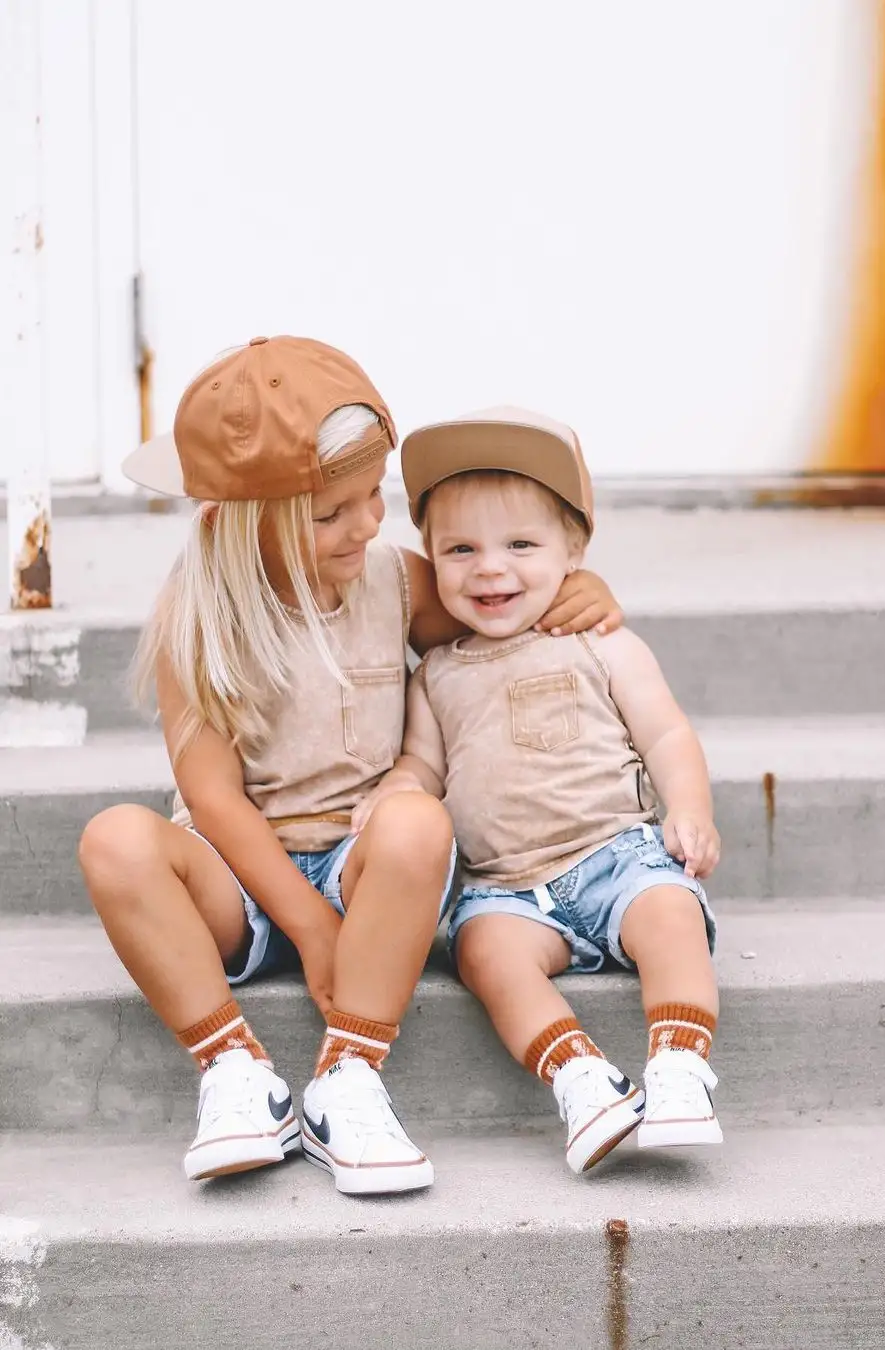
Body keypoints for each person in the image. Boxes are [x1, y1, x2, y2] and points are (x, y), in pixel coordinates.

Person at [77, 342, 622, 1195]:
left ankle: (349, 1079)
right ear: (238, 521)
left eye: (376, 497)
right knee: (114, 840)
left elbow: (499, 601)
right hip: (240, 878)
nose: (369, 525)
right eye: (334, 513)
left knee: (417, 820)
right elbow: (213, 798)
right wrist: (308, 926)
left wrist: (580, 595)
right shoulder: (200, 616)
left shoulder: (392, 583)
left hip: (370, 867)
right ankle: (235, 1073)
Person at [370, 406, 722, 1175]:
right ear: (430, 559)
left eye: (521, 546)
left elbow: (665, 734)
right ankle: (582, 1080)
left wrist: (689, 808)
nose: (489, 568)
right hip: (508, 891)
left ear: (575, 551)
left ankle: (679, 1066)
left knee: (669, 913)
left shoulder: (599, 641)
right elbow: (423, 769)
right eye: (460, 550)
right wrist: (393, 798)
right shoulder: (435, 674)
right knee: (482, 953)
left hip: (615, 856)